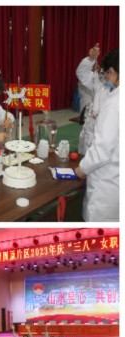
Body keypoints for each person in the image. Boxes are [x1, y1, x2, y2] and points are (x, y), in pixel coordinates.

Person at [74, 49, 119, 221]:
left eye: (106, 74)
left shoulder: (114, 103)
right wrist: (90, 59)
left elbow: (102, 148)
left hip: (107, 181)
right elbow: (81, 73)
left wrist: (83, 169)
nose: (105, 78)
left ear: (112, 72)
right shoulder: (103, 86)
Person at [76, 44, 110, 155]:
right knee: (86, 147)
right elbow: (81, 73)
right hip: (92, 120)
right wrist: (91, 59)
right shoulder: (98, 78)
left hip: (109, 124)